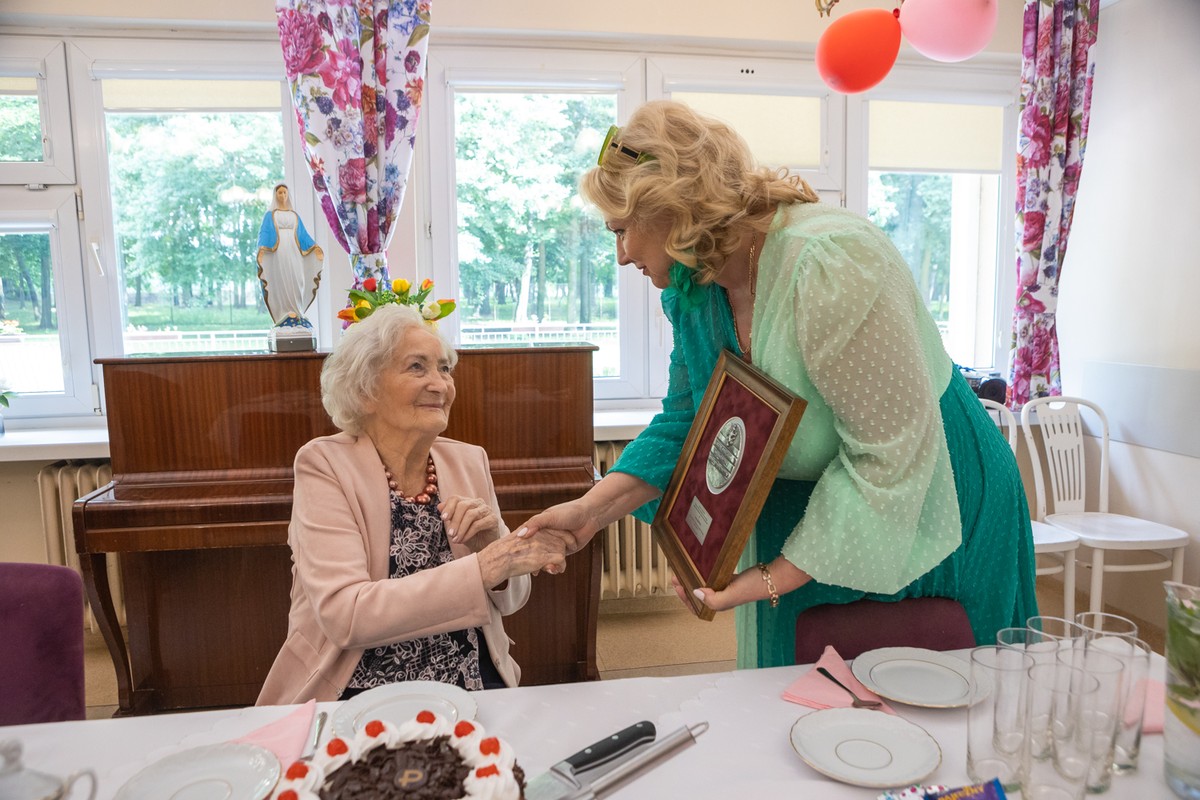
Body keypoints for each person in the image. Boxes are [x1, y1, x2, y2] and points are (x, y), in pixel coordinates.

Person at [519, 100, 1038, 669]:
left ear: (671, 210)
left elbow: (889, 455)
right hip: (814, 496)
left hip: (930, 487)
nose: (620, 256)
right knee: (806, 689)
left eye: (621, 232)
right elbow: (688, 420)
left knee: (936, 684)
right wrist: (591, 512)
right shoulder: (695, 289)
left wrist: (769, 578)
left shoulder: (831, 262)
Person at [257, 303, 569, 704]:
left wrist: (493, 543)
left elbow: (510, 600)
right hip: (359, 683)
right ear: (365, 390)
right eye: (417, 367)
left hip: (469, 674)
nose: (440, 384)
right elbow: (346, 616)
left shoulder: (469, 460)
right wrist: (486, 566)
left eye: (444, 368)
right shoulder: (325, 464)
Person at [256, 183, 324, 326]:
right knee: (282, 279)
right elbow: (265, 234)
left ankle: (298, 310)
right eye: (280, 193)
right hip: (279, 253)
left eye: (285, 193)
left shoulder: (294, 216)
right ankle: (285, 312)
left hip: (294, 252)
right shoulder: (270, 215)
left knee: (296, 278)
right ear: (275, 195)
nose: (283, 196)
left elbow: (303, 235)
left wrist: (314, 247)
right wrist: (262, 250)